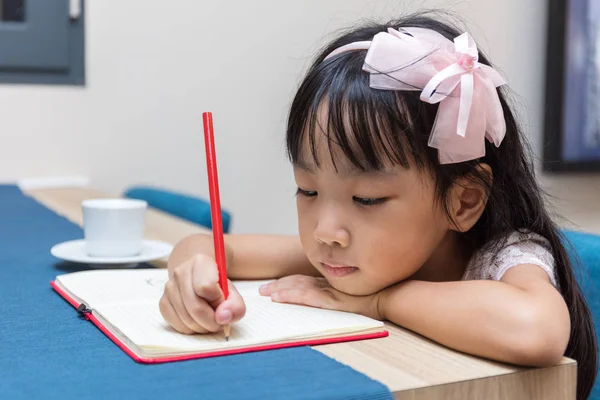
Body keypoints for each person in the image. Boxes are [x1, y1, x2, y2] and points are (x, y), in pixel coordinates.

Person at [159, 12, 597, 399]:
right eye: (307, 191)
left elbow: (536, 331)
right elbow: (211, 247)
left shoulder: (505, 256)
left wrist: (378, 304)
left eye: (367, 198)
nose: (325, 231)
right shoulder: (347, 256)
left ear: (463, 201)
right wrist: (197, 277)